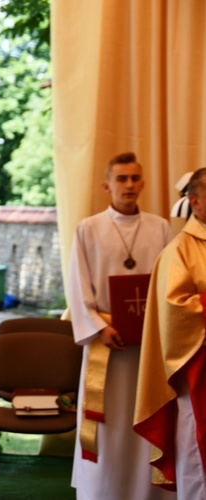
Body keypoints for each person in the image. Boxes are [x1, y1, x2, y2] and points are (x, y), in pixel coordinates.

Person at [67, 152, 173, 499]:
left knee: (145, 417)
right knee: (108, 424)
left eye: (134, 178)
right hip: (106, 344)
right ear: (107, 185)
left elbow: (168, 283)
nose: (129, 185)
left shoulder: (160, 227)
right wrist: (99, 326)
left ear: (142, 183)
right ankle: (103, 491)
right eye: (121, 179)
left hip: (148, 349)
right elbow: (78, 286)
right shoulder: (89, 228)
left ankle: (149, 491)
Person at [135, 167, 206, 498]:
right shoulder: (180, 250)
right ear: (195, 201)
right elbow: (174, 308)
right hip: (197, 369)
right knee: (197, 448)